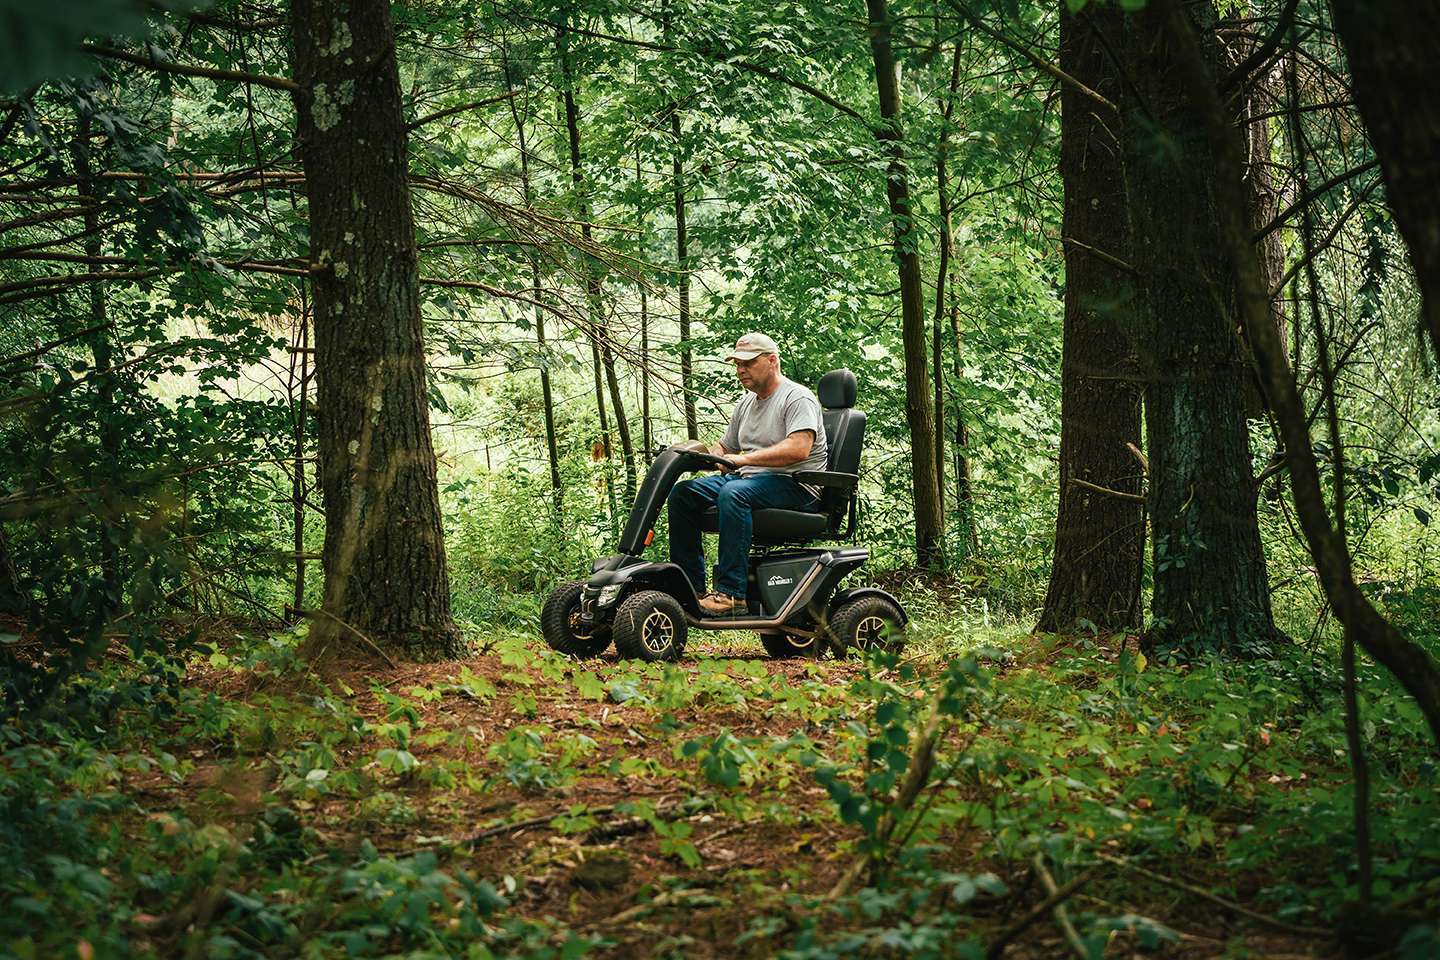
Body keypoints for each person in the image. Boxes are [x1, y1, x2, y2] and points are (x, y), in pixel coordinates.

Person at [668, 332, 828, 616]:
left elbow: (799, 448)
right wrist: (710, 456)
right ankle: (691, 588)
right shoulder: (746, 403)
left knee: (734, 493)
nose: (741, 370)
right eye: (737, 364)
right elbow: (725, 445)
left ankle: (731, 594)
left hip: (796, 486)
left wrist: (742, 459)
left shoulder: (797, 397)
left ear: (772, 361)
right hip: (749, 480)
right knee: (683, 494)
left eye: (748, 363)